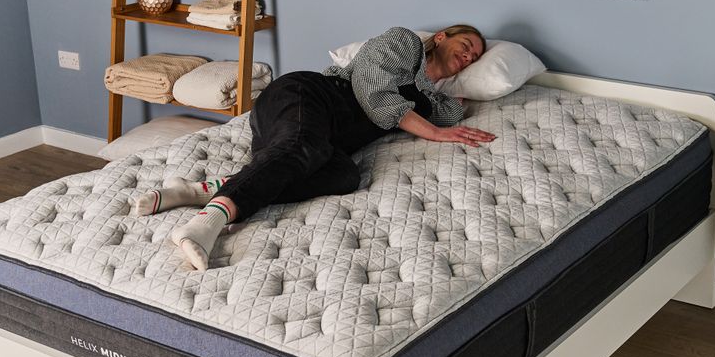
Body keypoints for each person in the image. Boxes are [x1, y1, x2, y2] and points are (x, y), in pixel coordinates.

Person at [132, 25, 496, 270]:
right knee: (304, 146)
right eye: (466, 47)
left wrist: (450, 102)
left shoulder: (430, 99)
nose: (468, 57)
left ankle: (200, 190)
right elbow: (371, 90)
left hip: (322, 141)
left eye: (474, 59)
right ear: (443, 37)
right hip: (307, 96)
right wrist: (431, 131)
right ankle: (204, 224)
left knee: (344, 174)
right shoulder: (403, 44)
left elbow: (453, 111)